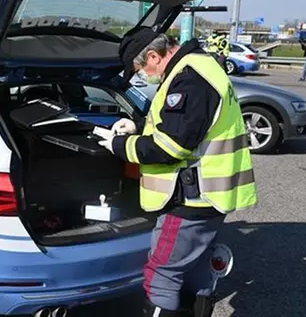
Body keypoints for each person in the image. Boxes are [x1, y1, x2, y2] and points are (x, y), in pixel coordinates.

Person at [97, 27, 258, 317]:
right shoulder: (200, 65)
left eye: (139, 69)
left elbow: (170, 147)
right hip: (212, 195)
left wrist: (120, 145)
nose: (140, 76)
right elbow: (186, 126)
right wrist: (139, 128)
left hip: (190, 200)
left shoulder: (189, 79)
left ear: (154, 56)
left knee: (162, 275)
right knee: (195, 270)